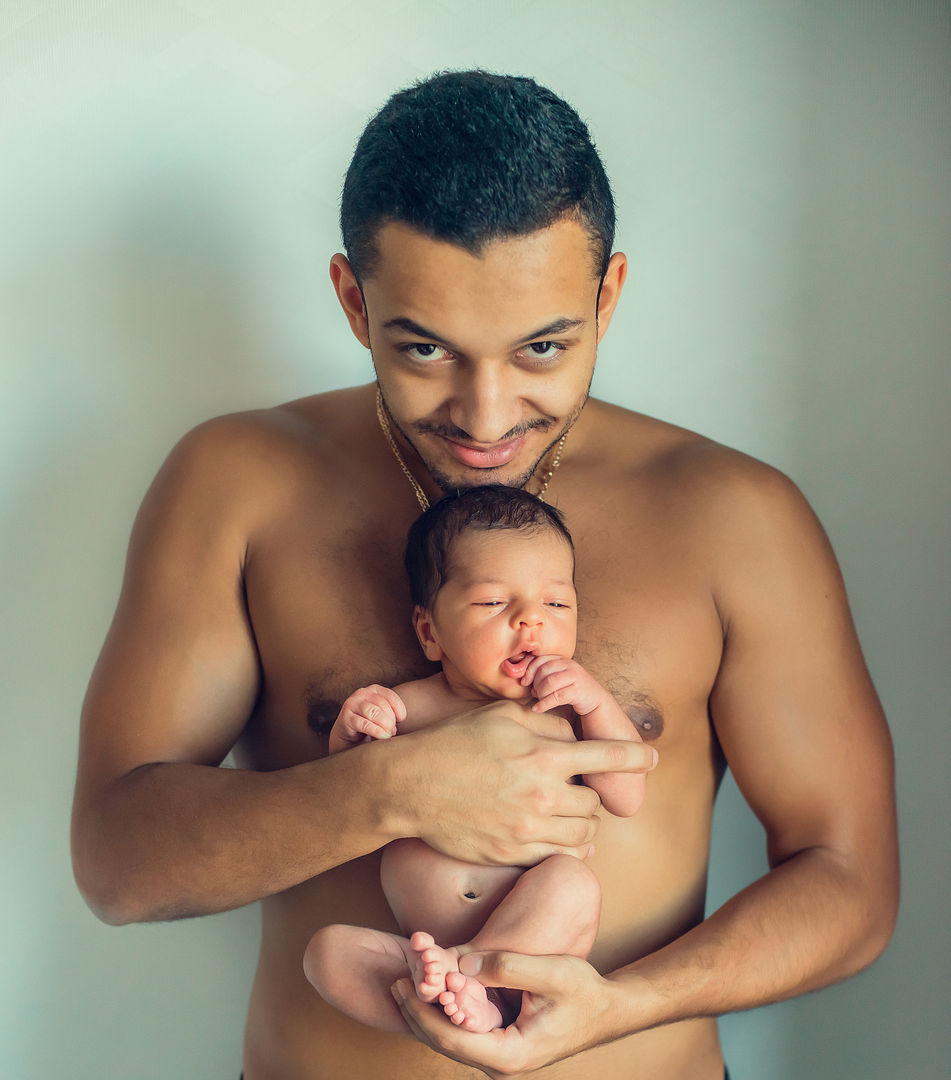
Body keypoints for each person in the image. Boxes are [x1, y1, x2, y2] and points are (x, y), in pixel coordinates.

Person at [71, 70, 898, 1080]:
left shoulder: (736, 516)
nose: (487, 416)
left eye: (543, 348)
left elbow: (851, 885)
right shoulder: (239, 483)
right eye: (424, 350)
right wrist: (389, 791)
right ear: (351, 300)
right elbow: (117, 863)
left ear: (610, 296)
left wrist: (621, 1007)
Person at [306, 485, 645, 1034]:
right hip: (427, 957)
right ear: (430, 632)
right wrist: (355, 727)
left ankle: (478, 983)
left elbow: (627, 797)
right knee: (327, 954)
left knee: (572, 885)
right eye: (492, 602)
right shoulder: (409, 707)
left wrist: (597, 702)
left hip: (533, 956)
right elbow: (345, 793)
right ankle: (455, 1007)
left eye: (556, 604)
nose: (531, 621)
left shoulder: (565, 716)